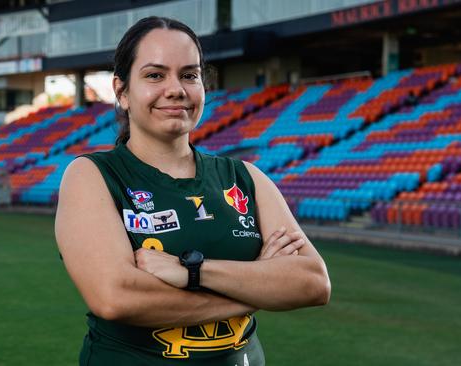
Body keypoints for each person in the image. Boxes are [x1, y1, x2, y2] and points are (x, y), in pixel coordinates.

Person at [55, 16, 331, 365]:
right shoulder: (94, 175)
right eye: (155, 75)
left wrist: (193, 272)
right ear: (122, 91)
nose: (176, 89)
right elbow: (116, 297)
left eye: (189, 75)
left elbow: (313, 282)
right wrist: (258, 288)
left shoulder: (243, 178)